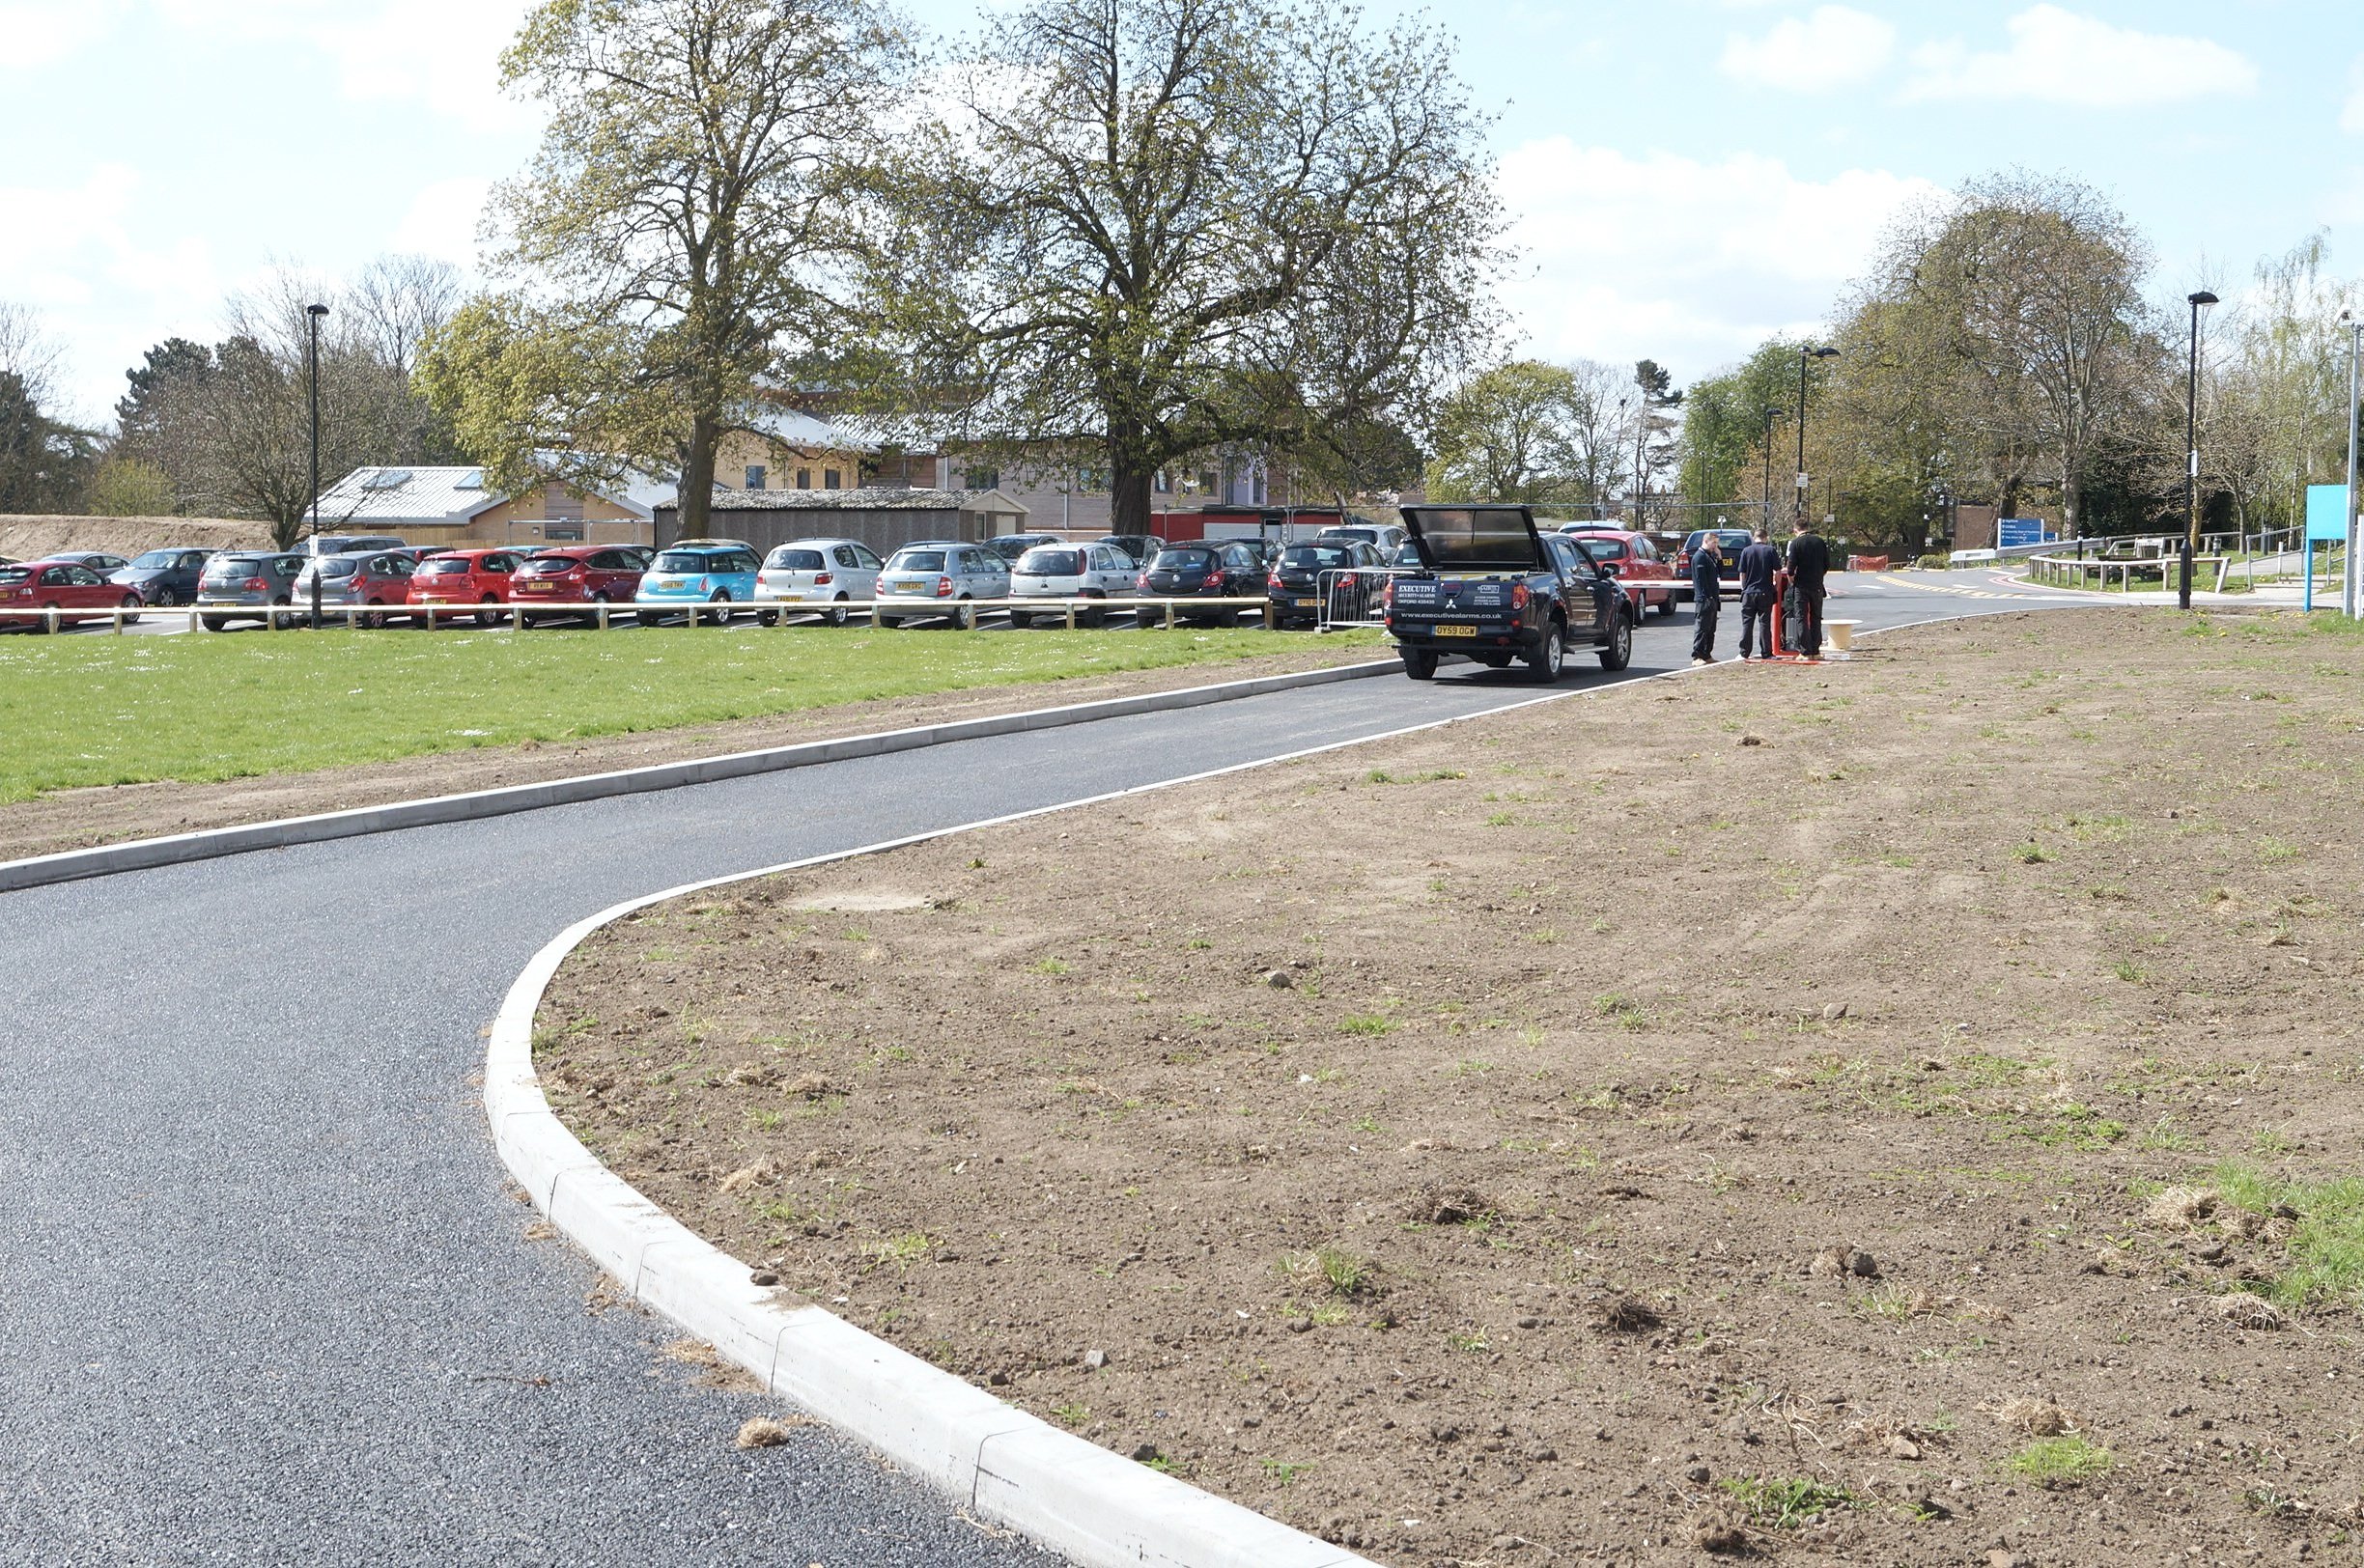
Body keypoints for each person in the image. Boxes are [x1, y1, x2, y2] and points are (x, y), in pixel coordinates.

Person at [1787, 516, 1832, 658]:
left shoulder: (1796, 543)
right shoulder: (1819, 542)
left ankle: (1805, 651)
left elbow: (1790, 568)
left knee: (1801, 617)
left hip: (1801, 585)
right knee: (1816, 617)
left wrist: (1792, 580)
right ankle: (1816, 650)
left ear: (1796, 530)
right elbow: (1826, 565)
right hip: (1817, 584)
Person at [1736, 526, 1780, 660]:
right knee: (1765, 624)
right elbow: (1777, 572)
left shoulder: (1746, 551)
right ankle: (1766, 652)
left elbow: (1742, 573)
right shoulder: (1771, 551)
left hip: (1749, 592)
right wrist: (1776, 587)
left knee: (1747, 624)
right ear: (1765, 538)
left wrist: (1744, 588)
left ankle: (1744, 653)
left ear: (1754, 538)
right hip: (1765, 592)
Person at [1688, 531, 1724, 665]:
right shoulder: (1699, 557)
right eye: (1714, 542)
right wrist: (1706, 597)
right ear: (1706, 541)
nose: (1715, 546)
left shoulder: (1710, 556)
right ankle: (1697, 655)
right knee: (1702, 628)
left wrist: (1719, 557)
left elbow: (1720, 573)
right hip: (1704, 599)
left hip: (1713, 597)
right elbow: (1700, 580)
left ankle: (1707, 653)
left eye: (1716, 543)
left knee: (1711, 629)